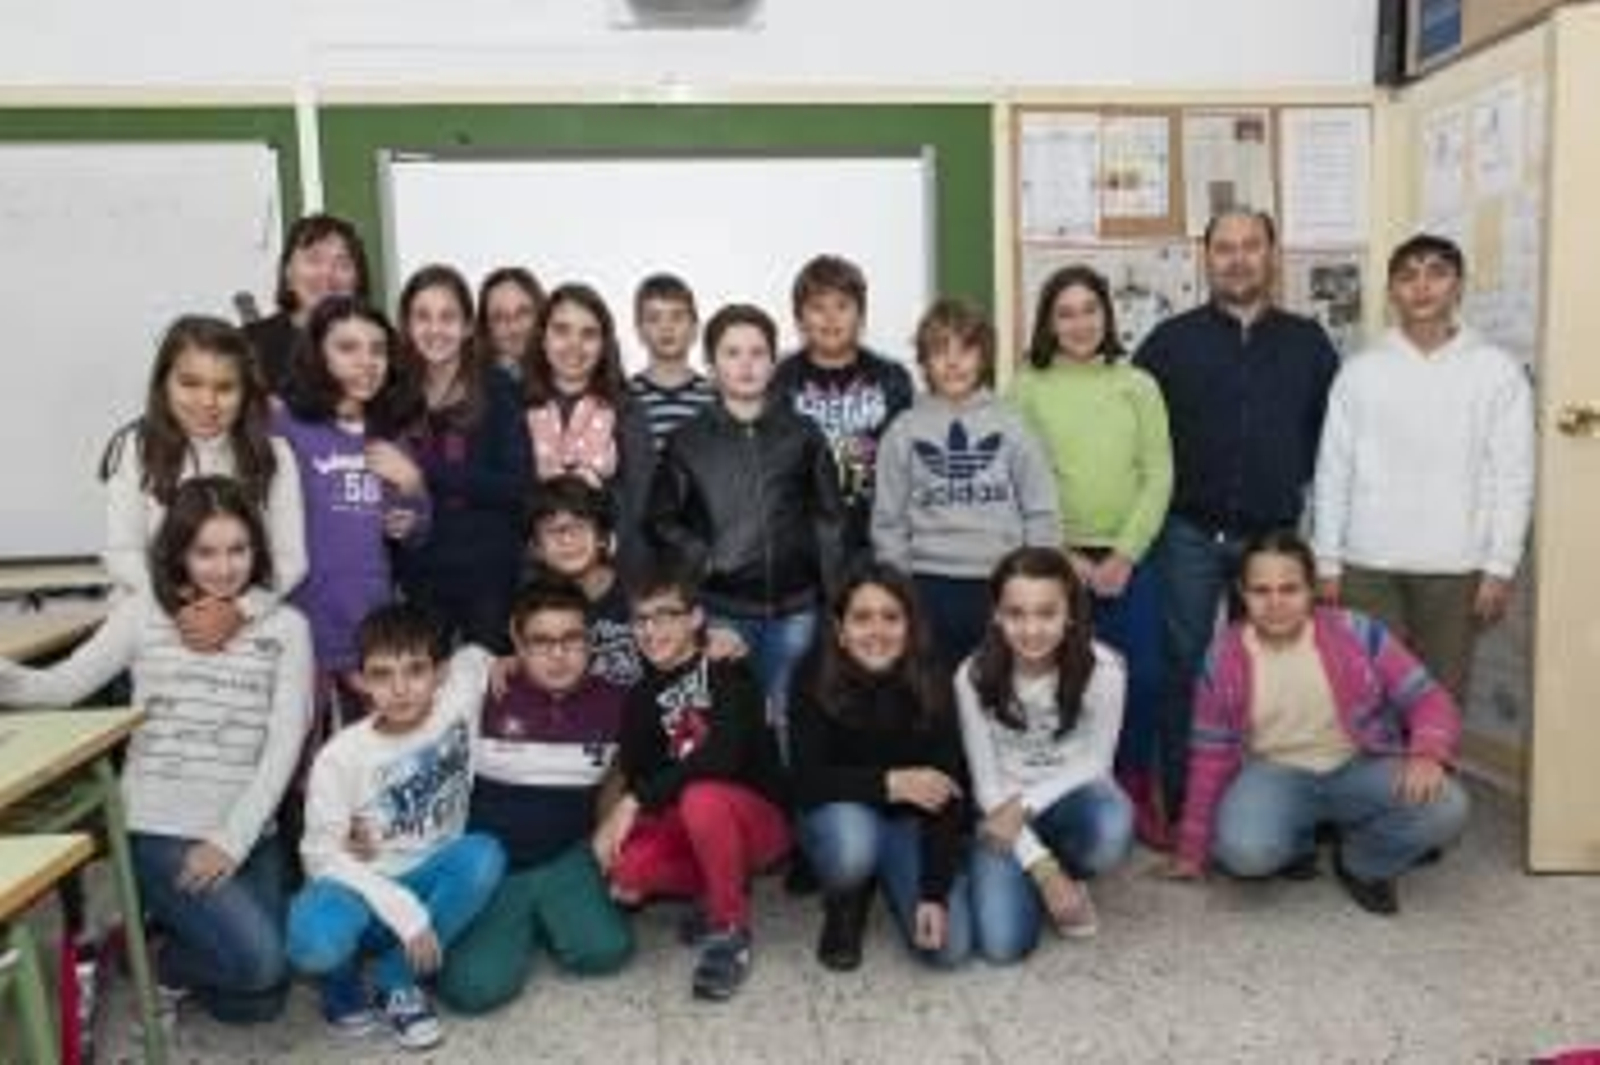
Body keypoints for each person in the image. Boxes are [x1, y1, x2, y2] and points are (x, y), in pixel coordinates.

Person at [1, 478, 311, 1025]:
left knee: (262, 998)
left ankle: (159, 954)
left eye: (238, 549)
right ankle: (157, 954)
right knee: (260, 964)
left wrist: (231, 841)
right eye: (206, 552)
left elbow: (285, 743)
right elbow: (61, 687)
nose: (224, 567)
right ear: (179, 553)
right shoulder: (144, 614)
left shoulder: (287, 628)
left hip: (245, 829)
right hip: (161, 827)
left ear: (256, 550)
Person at [1135, 209, 1339, 821]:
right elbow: (1138, 439)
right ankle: (1183, 803)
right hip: (1187, 532)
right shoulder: (1168, 342)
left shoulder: (1308, 342)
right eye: (1225, 248)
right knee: (1186, 668)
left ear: (1272, 255)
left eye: (1251, 246)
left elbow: (1328, 440)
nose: (1238, 258)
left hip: (1271, 537)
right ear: (1207, 258)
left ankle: (1272, 807)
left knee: (1276, 670)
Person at [1166, 531, 1469, 917]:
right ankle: (1297, 839)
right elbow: (1209, 756)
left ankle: (1362, 862)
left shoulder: (1356, 631)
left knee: (1449, 807)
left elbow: (1429, 698)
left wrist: (1428, 753)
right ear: (1242, 593)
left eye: (1289, 589)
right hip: (1275, 773)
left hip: (1359, 764)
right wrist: (1191, 851)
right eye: (1261, 590)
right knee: (1244, 852)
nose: (1275, 603)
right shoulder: (1222, 657)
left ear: (1311, 590)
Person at [1313, 233, 1535, 700]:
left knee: (1440, 698)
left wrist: (1500, 566)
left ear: (1458, 287)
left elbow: (1513, 475)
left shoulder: (1496, 371)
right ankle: (1376, 777)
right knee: (1367, 695)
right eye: (1408, 275)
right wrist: (1327, 559)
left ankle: (1433, 776)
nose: (1422, 287)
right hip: (1366, 563)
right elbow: (1333, 470)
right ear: (1392, 291)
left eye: (1437, 272)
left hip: (1456, 564)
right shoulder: (1361, 371)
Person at [286, 605, 505, 1051]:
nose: (401, 689)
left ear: (439, 673)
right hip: (364, 888)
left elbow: (476, 656)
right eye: (382, 675)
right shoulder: (341, 755)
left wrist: (504, 660)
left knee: (484, 856)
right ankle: (341, 986)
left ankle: (396, 978)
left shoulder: (457, 697)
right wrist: (400, 908)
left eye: (415, 671)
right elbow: (319, 855)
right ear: (359, 681)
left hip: (430, 881)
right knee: (314, 942)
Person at [1010, 265, 1172, 846]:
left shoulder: (1139, 385)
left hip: (1131, 555)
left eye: (1089, 310)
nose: (1079, 323)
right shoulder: (1027, 386)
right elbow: (1022, 477)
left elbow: (1159, 474)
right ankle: (1068, 790)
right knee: (1061, 680)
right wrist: (1063, 553)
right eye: (1065, 313)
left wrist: (1124, 555)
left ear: (1107, 315)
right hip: (1055, 559)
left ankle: (1132, 783)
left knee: (1144, 676)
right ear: (1049, 323)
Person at [648, 303, 845, 752]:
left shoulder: (803, 434)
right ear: (712, 365)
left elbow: (830, 520)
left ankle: (789, 820)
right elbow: (660, 521)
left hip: (797, 611)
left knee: (788, 727)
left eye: (758, 353)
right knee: (728, 730)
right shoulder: (687, 441)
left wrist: (834, 603)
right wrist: (706, 559)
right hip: (723, 611)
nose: (746, 364)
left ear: (773, 363)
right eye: (732, 353)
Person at [436, 579, 632, 1014]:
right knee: (472, 991)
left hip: (566, 856)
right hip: (495, 868)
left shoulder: (616, 702)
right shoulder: (484, 689)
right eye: (541, 642)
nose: (559, 655)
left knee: (607, 952)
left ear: (591, 639)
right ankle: (521, 919)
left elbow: (625, 772)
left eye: (571, 639)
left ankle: (549, 913)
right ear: (517, 642)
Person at [592, 569, 790, 1002]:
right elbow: (645, 778)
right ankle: (714, 885)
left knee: (701, 797)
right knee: (626, 869)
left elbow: (723, 758)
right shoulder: (640, 698)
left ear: (696, 618)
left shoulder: (725, 667)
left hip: (758, 820)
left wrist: (630, 804)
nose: (651, 630)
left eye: (666, 616)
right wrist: (619, 828)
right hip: (690, 818)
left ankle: (729, 931)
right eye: (641, 620)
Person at [789, 564, 973, 972]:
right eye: (862, 617)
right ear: (839, 628)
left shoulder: (935, 677)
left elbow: (947, 791)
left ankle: (893, 877)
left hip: (909, 822)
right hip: (839, 815)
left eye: (891, 617)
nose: (877, 631)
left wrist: (934, 894)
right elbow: (804, 782)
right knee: (855, 844)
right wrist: (892, 783)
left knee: (950, 949)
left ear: (910, 625)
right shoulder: (810, 673)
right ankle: (846, 900)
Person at [956, 547, 1133, 961]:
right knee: (1003, 946)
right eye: (1016, 613)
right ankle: (1035, 872)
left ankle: (1070, 870)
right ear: (996, 615)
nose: (1031, 629)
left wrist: (1027, 806)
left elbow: (1097, 763)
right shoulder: (972, 675)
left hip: (1071, 796)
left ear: (1069, 613)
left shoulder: (1103, 669)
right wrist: (1043, 870)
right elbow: (985, 785)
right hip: (998, 805)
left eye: (1046, 613)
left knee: (1112, 825)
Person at [873, 297, 1059, 669]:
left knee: (999, 695)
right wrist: (900, 590)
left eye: (966, 349)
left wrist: (1036, 585)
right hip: (927, 586)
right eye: (940, 350)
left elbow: (1041, 513)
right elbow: (888, 521)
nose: (953, 362)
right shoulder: (904, 429)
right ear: (924, 361)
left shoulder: (1012, 425)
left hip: (1001, 583)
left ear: (984, 356)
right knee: (934, 702)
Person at [100, 314, 306, 648]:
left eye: (225, 388)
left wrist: (239, 610)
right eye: (190, 383)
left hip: (244, 633)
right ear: (164, 382)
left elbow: (290, 558)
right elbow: (122, 553)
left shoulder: (276, 455)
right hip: (151, 632)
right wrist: (184, 609)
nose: (207, 402)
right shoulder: (134, 448)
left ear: (246, 391)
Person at [394, 264, 532, 652]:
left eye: (448, 316)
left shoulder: (497, 388)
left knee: (485, 695)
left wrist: (422, 470)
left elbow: (516, 487)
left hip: (487, 575)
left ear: (469, 326)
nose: (435, 329)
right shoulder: (395, 393)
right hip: (419, 574)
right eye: (422, 316)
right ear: (406, 324)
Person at [771, 254, 914, 555]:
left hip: (875, 539)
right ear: (799, 319)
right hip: (803, 542)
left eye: (842, 306)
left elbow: (907, 466)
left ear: (861, 316)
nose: (830, 318)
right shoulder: (781, 380)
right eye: (817, 308)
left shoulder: (892, 378)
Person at [522, 282, 657, 581]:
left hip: (614, 576)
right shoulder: (515, 406)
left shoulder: (627, 409)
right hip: (535, 581)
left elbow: (642, 502)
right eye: (561, 330)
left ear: (605, 344)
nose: (574, 345)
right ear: (542, 337)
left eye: (589, 334)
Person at [245, 213, 371, 395]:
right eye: (313, 260)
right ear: (287, 273)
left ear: (358, 278)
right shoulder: (250, 345)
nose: (327, 274)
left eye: (342, 263)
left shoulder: (380, 345)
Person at [626, 272, 714, 449]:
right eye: (654, 318)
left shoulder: (713, 397)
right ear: (640, 332)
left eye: (677, 317)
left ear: (694, 329)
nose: (666, 327)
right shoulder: (625, 397)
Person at [475, 266, 545, 382]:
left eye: (523, 312)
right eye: (499, 317)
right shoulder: (476, 387)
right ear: (486, 327)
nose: (513, 328)